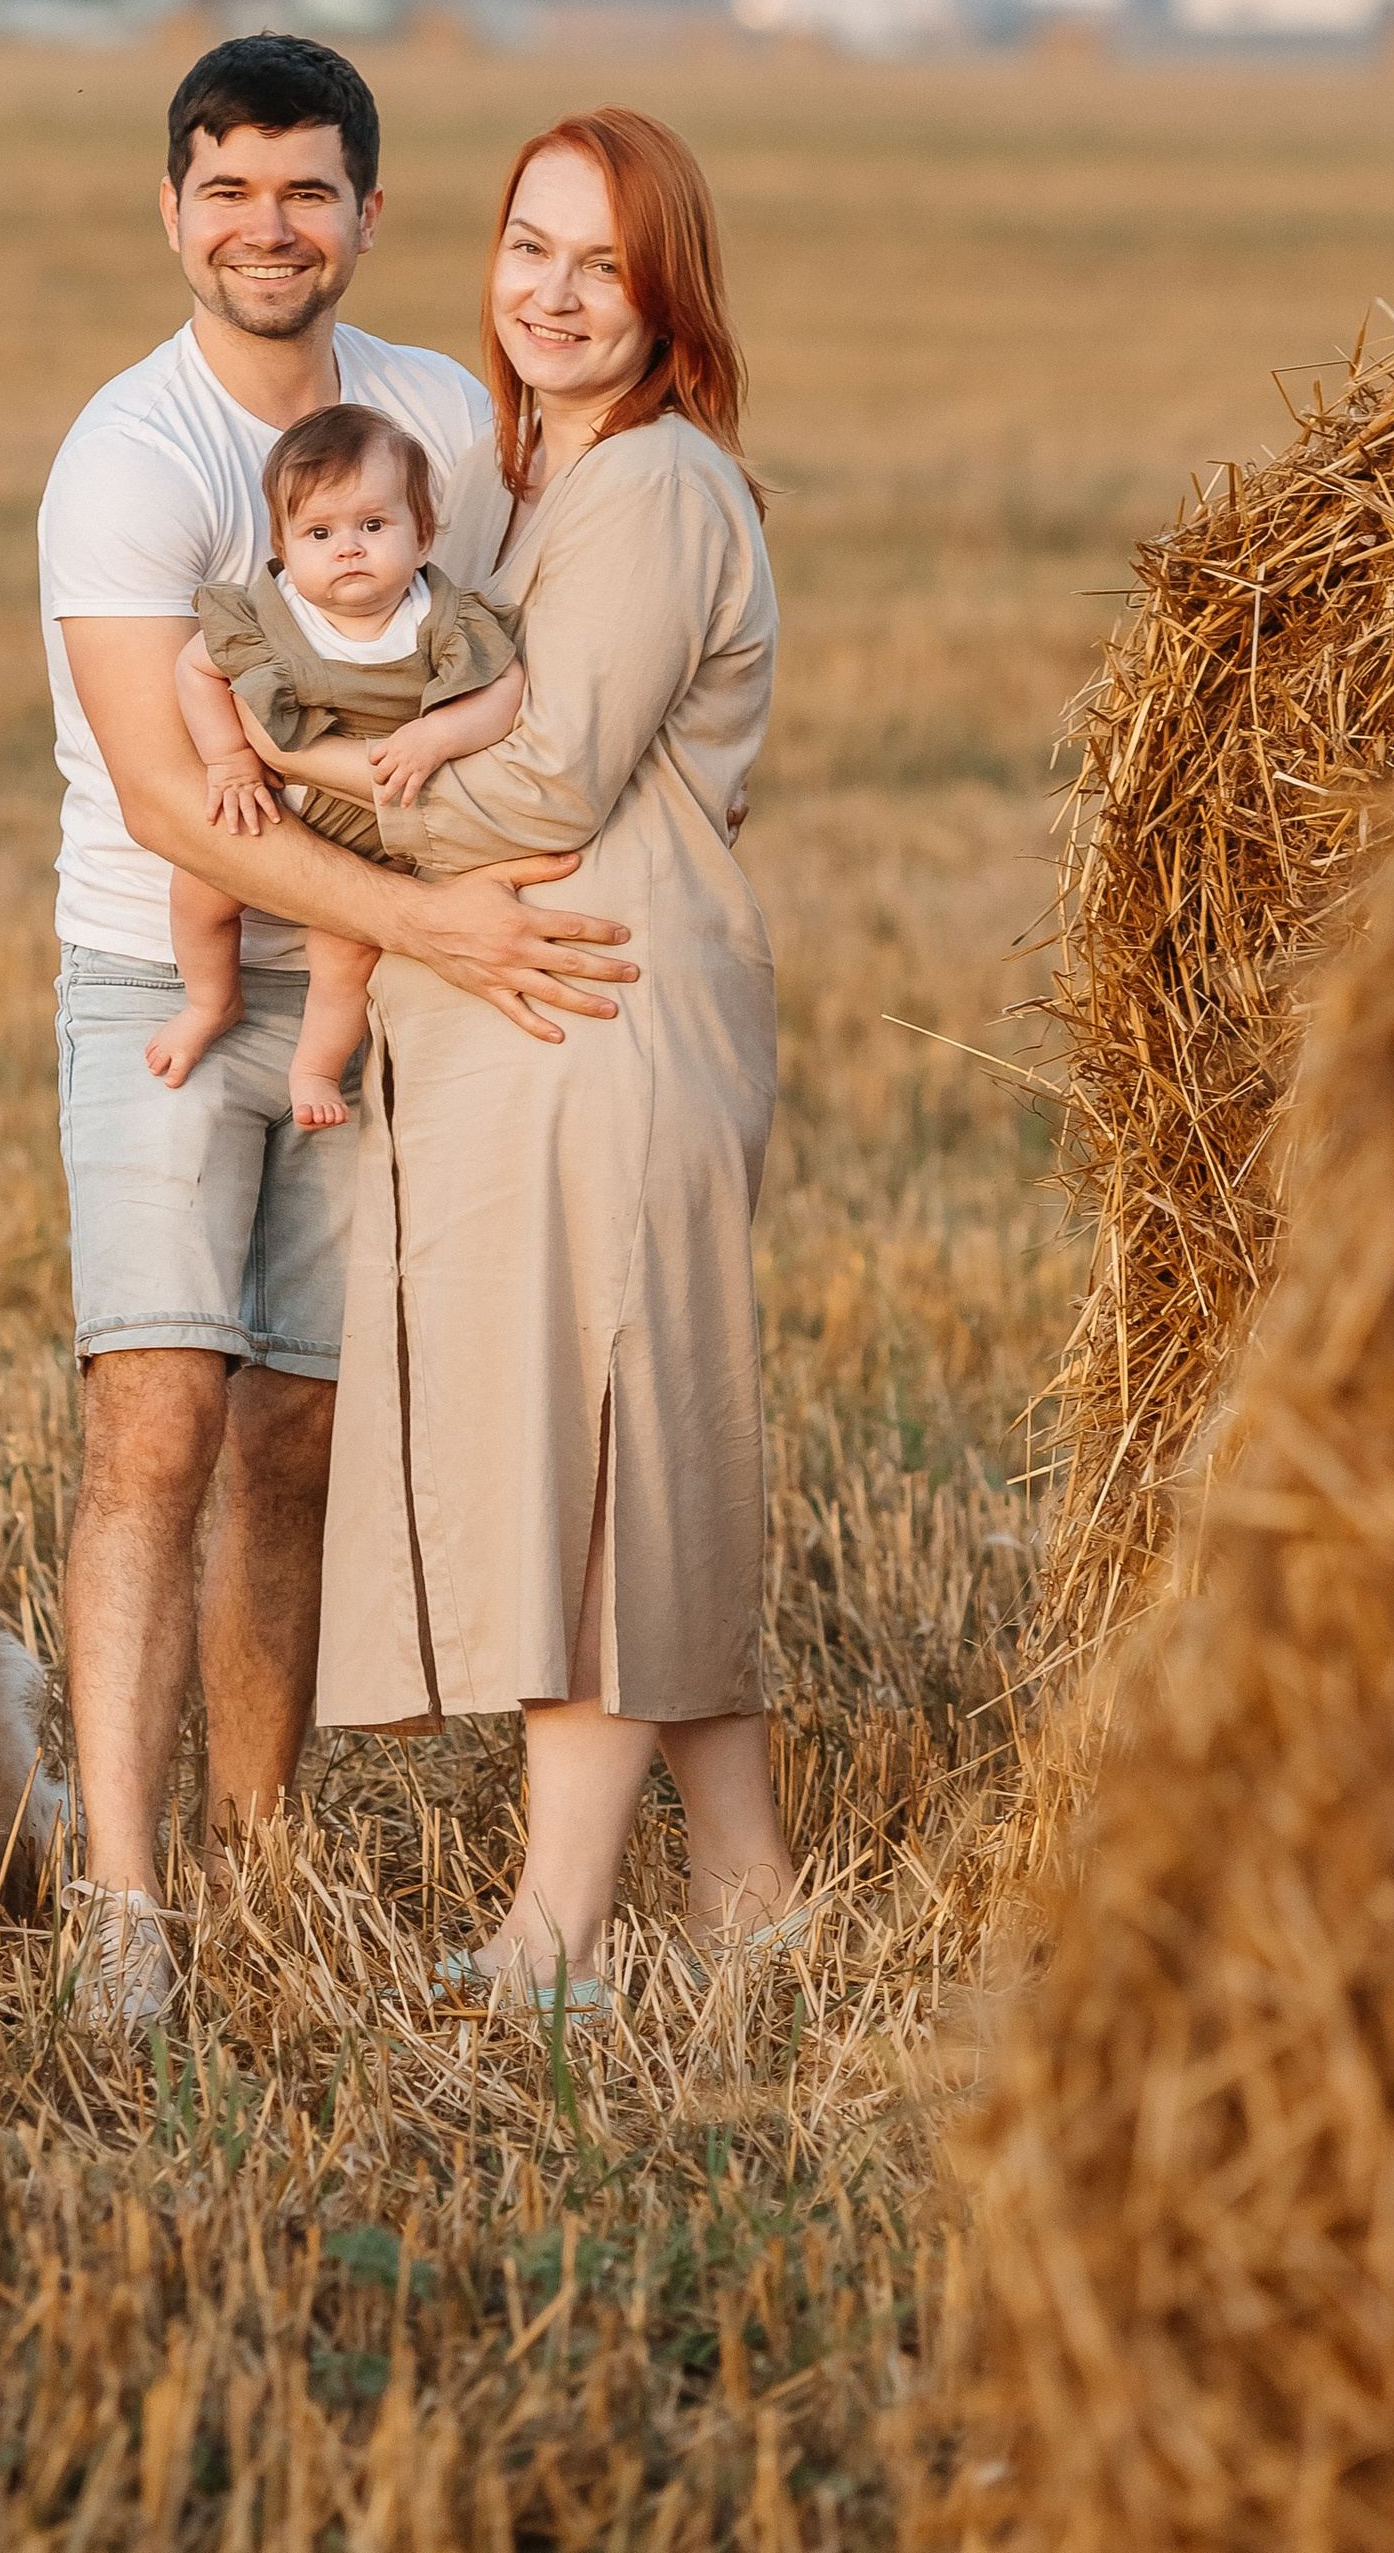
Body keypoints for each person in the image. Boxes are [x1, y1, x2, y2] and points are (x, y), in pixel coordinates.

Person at [40, 37, 638, 2026]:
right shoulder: (124, 462)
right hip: (167, 973)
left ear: (367, 218)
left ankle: (261, 1851)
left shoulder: (440, 420)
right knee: (156, 1417)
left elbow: (528, 655)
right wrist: (427, 924)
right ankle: (124, 1904)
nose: (263, 226)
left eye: (305, 192)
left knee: (295, 1427)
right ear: (171, 212)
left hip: (380, 974)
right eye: (226, 189)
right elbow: (156, 797)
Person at [289, 106, 802, 1999]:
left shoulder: (654, 486)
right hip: (560, 1018)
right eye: (529, 246)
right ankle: (751, 1895)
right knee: (639, 1456)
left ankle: (555, 1935)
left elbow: (554, 771)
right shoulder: (538, 489)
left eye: (605, 262)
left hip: (604, 1017)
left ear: (666, 292)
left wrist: (307, 800)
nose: (556, 293)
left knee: (591, 1468)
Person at [149, 405, 525, 1126]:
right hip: (276, 804)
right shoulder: (272, 617)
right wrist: (229, 760)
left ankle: (315, 1068)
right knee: (199, 888)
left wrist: (438, 735)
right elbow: (196, 669)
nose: (348, 549)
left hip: (375, 824)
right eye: (320, 533)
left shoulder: (441, 618)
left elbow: (506, 691)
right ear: (284, 548)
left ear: (422, 535)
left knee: (346, 952)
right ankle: (210, 999)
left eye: (373, 526)